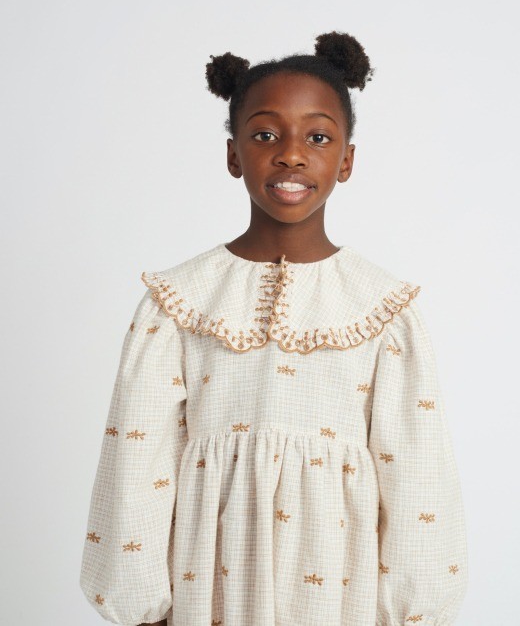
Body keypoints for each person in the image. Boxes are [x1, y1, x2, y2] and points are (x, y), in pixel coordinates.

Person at [79, 30, 468, 626]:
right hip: (208, 585)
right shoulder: (178, 303)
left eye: (318, 137)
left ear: (346, 160)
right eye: (265, 135)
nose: (291, 154)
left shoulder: (383, 309)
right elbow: (137, 463)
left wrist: (413, 607)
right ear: (233, 154)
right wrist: (139, 602)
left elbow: (417, 474)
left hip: (340, 591)